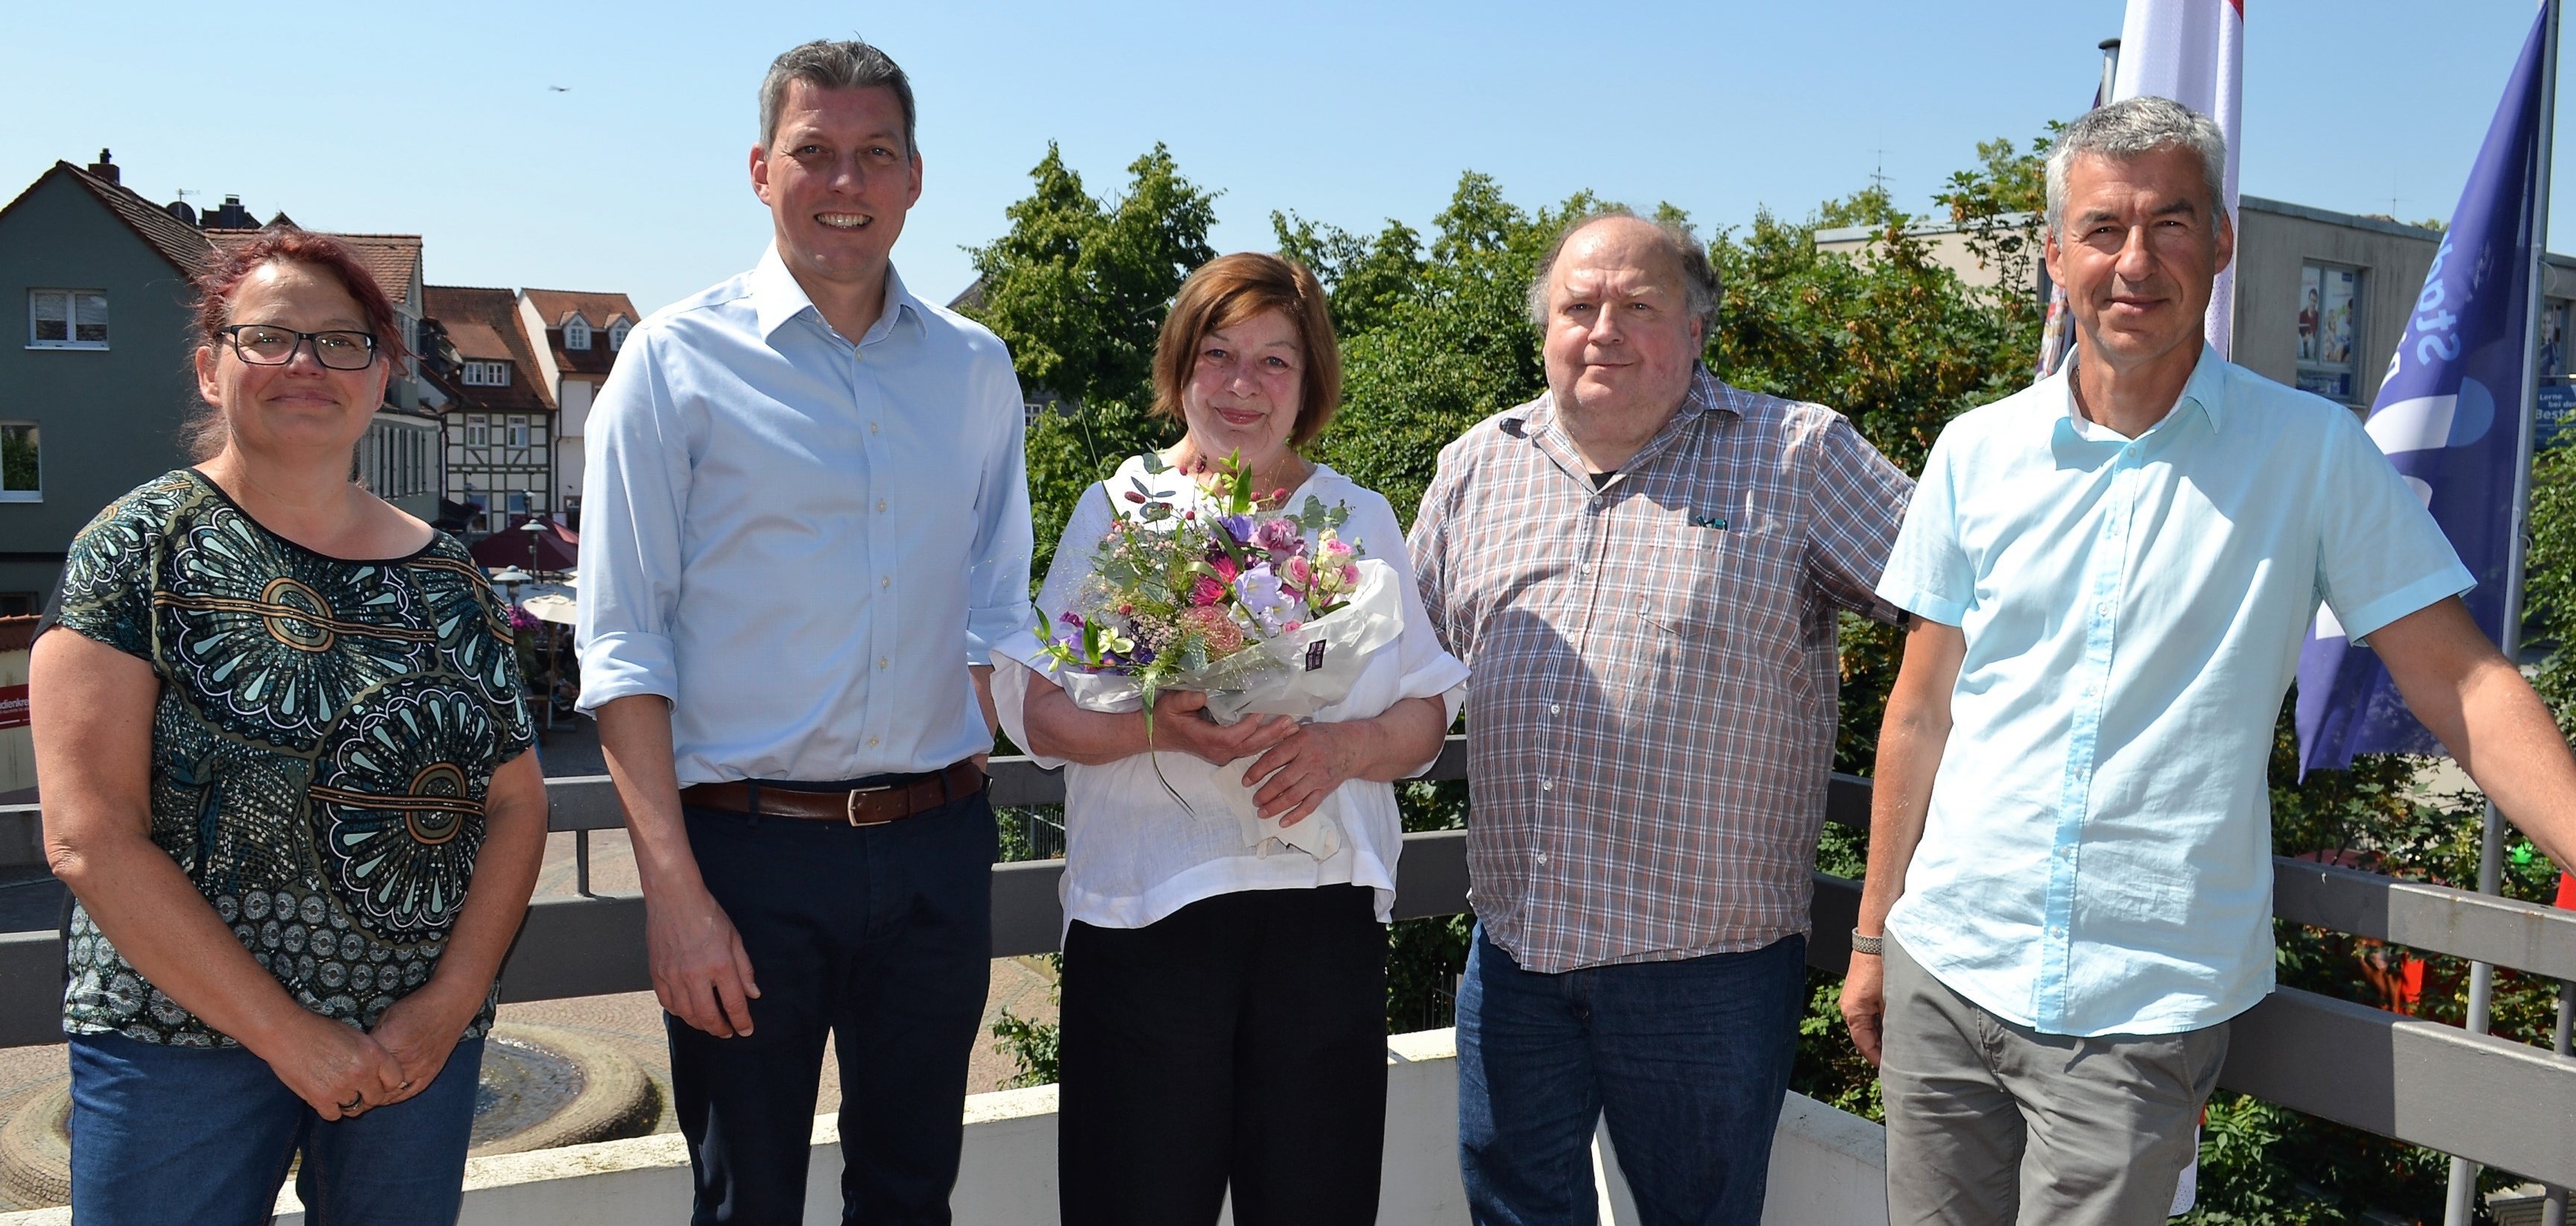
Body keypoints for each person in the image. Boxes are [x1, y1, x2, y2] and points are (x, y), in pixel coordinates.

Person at [1842, 96, 2576, 1225]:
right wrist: (1873, 934)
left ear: (2222, 244)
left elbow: (2465, 681)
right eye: (2102, 229)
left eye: (2171, 224)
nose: (2134, 261)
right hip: (1946, 967)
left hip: (2140, 1009)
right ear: (2054, 254)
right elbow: (1921, 711)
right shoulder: (1975, 453)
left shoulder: (2312, 453)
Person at [575, 38, 1032, 1225]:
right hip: (748, 861)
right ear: (759, 169)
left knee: (910, 1195)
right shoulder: (671, 365)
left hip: (936, 847)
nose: (845, 182)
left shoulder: (977, 370)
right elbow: (622, 645)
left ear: (916, 178)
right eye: (814, 152)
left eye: (874, 155)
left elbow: (998, 594)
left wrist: (966, 724)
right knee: (747, 1203)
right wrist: (673, 893)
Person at [1408, 210, 1916, 1225]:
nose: (1604, 328)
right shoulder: (1477, 466)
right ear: (1545, 328)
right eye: (1578, 305)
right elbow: (1398, 663)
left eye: (1640, 305)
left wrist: (1892, 901)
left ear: (1696, 330)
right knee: (1512, 1212)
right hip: (1516, 958)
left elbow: (1959, 609)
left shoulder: (1795, 454)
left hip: (1707, 976)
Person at [34, 227, 548, 1225]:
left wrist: (450, 1003)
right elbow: (88, 835)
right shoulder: (135, 548)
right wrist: (288, 1033)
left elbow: (517, 803)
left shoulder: (451, 580)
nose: (307, 363)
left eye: (341, 341)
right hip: (175, 1045)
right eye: (269, 337)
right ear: (210, 366)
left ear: (382, 373)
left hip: (411, 1050)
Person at [994, 252, 1467, 1226]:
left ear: (1312, 380)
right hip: (1148, 918)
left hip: (1318, 928)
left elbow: (1427, 714)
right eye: (1218, 354)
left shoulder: (1358, 520)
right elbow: (1039, 714)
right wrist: (1149, 728)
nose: (1243, 386)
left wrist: (1341, 749)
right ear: (1180, 365)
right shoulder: (1121, 509)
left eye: (1274, 361)